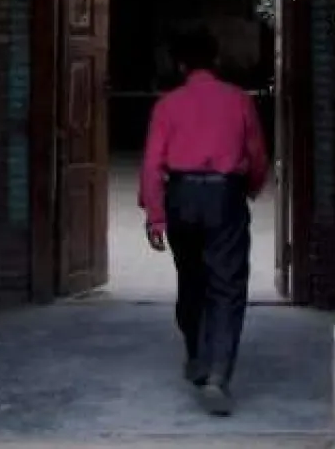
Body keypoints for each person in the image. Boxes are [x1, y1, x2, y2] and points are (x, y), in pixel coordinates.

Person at [137, 26, 269, 417]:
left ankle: (196, 355)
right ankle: (217, 375)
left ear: (180, 65)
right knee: (227, 286)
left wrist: (155, 217)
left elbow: (151, 164)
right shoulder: (238, 100)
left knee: (191, 278)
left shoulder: (168, 105)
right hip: (224, 196)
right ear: (216, 60)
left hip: (181, 196)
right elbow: (257, 154)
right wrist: (249, 187)